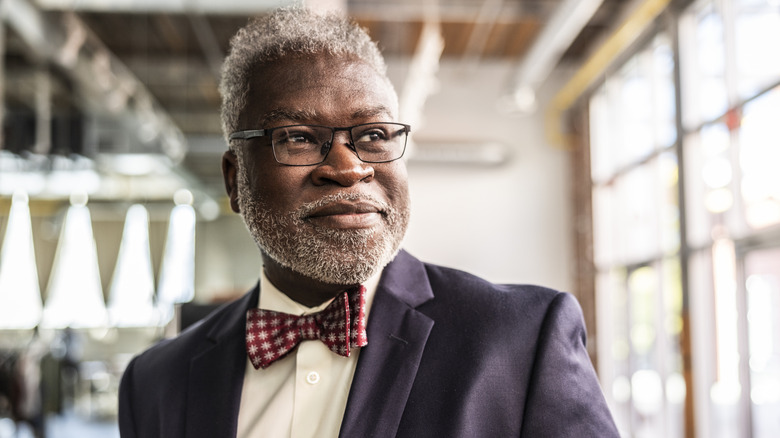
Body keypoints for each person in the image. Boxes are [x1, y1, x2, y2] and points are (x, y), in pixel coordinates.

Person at [118, 6, 619, 438]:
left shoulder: (522, 340)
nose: (348, 167)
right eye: (296, 137)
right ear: (234, 180)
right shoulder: (156, 382)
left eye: (374, 133)